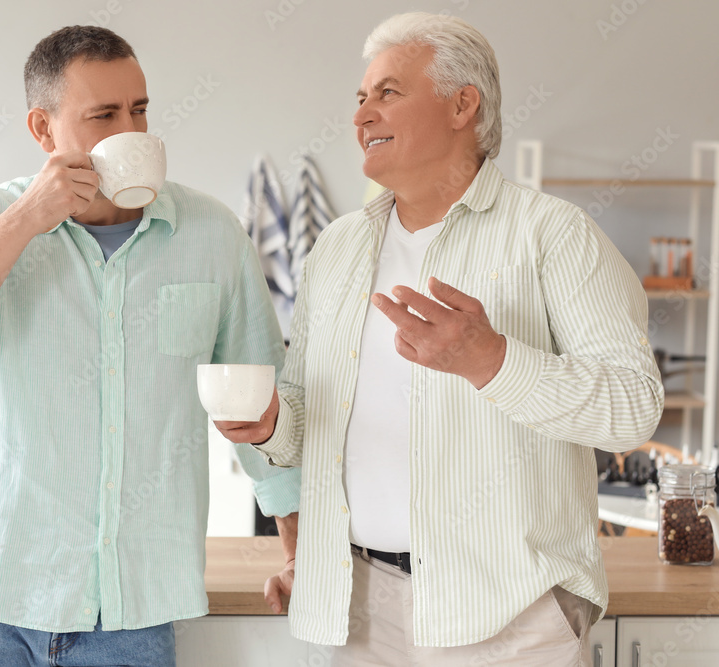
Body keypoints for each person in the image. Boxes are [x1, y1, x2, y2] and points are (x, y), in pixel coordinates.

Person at [216, 11, 664, 666]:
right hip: (360, 606)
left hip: (514, 615)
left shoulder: (555, 236)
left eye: (388, 92)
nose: (362, 114)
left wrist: (491, 359)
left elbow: (633, 409)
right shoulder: (335, 249)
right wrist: (268, 425)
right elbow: (306, 419)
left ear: (463, 105)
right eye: (360, 97)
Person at [0, 25, 300, 667]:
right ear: (43, 131)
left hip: (133, 607)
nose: (132, 131)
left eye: (140, 110)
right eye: (103, 116)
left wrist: (300, 553)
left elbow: (267, 409)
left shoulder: (213, 236)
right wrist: (24, 220)